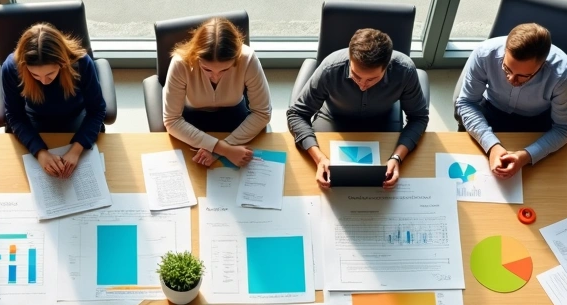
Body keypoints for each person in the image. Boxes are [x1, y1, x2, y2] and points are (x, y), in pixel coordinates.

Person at [287, 28, 429, 190]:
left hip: (382, 121)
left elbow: (419, 117)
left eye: (372, 79)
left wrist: (397, 157)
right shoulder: (330, 69)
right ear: (350, 58)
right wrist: (319, 158)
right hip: (333, 119)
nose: (362, 85)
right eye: (356, 75)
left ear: (387, 66)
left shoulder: (405, 71)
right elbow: (296, 114)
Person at [456, 23, 567, 180]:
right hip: (490, 110)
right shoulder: (484, 54)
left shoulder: (563, 74)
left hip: (536, 122)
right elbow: (466, 103)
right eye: (507, 69)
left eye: (524, 76)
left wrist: (527, 155)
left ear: (542, 64)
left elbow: (565, 127)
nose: (511, 79)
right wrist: (491, 145)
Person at [162, 17, 272, 168]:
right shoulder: (181, 63)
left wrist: (218, 150)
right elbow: (172, 120)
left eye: (225, 70)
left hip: (234, 116)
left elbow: (262, 113)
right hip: (191, 119)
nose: (215, 76)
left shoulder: (247, 59)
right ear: (196, 56)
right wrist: (225, 150)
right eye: (207, 69)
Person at [1, 23, 107, 179]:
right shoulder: (12, 67)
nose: (43, 82)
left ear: (62, 63)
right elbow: (15, 115)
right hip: (34, 121)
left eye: (50, 74)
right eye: (35, 76)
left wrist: (75, 151)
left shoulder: (81, 63)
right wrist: (40, 152)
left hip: (76, 118)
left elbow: (97, 110)